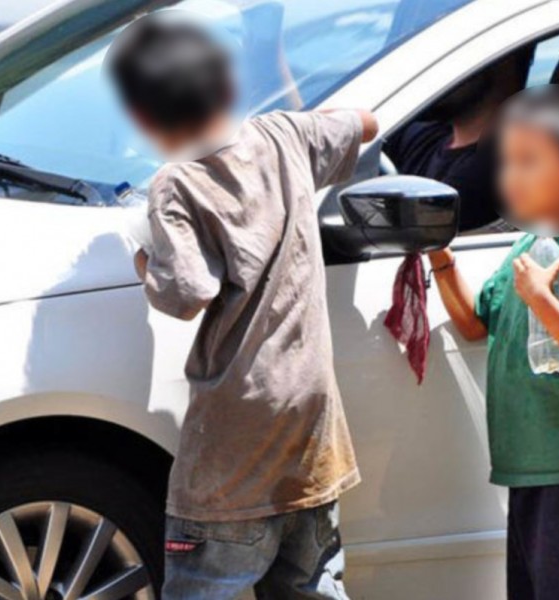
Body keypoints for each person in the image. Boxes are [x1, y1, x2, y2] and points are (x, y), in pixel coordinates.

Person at [106, 14, 378, 600]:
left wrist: (141, 265)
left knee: (208, 585)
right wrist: (319, 118)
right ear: (230, 89)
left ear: (144, 119)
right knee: (312, 585)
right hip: (311, 439)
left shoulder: (176, 185)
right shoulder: (285, 135)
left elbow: (186, 294)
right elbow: (365, 124)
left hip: (232, 457)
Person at [428, 87, 559, 599]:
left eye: (528, 162)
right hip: (529, 470)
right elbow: (479, 323)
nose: (510, 178)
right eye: (507, 163)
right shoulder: (529, 243)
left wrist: (545, 302)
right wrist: (439, 256)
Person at [384, 48, 533, 231]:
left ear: (502, 60)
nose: (431, 72)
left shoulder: (499, 168)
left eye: (449, 58)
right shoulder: (424, 136)